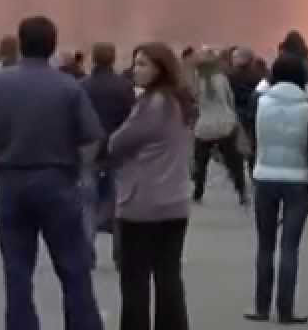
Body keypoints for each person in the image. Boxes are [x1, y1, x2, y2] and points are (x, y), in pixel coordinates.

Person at [0, 16, 104, 330]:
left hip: (11, 183)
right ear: (53, 45)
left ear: (20, 42)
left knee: (16, 271)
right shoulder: (68, 87)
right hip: (57, 182)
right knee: (74, 267)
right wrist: (79, 171)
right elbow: (92, 138)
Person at [104, 41, 197, 330]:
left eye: (143, 64)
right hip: (175, 201)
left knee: (135, 279)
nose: (136, 70)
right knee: (168, 275)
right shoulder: (181, 102)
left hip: (142, 202)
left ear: (161, 69)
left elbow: (117, 142)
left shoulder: (152, 104)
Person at [244, 53, 308, 325]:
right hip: (297, 178)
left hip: (265, 176)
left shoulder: (260, 102)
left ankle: (261, 307)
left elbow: (250, 132)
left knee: (265, 245)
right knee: (290, 247)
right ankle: (286, 310)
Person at [80, 42, 136, 267]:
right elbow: (132, 119)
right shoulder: (124, 86)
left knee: (86, 204)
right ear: (113, 59)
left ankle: (86, 251)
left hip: (89, 152)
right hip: (117, 151)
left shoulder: (83, 86)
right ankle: (120, 252)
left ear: (93, 59)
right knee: (119, 204)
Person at [190, 48, 248, 206]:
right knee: (234, 160)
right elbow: (230, 100)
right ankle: (241, 191)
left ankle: (198, 191)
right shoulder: (222, 79)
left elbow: (194, 101)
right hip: (225, 124)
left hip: (205, 127)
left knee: (200, 160)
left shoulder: (197, 80)